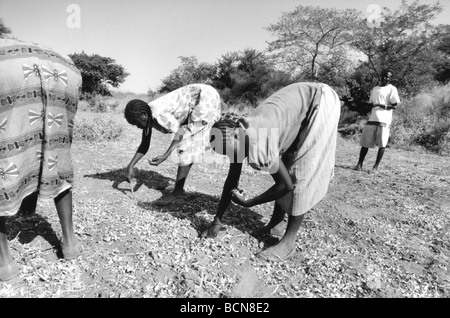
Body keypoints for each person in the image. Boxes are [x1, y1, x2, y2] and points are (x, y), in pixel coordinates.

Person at [203, 82, 341, 262]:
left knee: (300, 171)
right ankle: (275, 224)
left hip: (321, 101)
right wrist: (217, 220)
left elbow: (286, 185)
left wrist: (250, 203)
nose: (233, 157)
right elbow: (232, 180)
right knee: (288, 161)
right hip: (304, 101)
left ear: (237, 134)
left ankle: (288, 242)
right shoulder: (238, 135)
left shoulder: (257, 137)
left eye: (231, 152)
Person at [0, 37, 82, 282]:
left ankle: (5, 264)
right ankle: (70, 243)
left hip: (9, 68)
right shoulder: (39, 48)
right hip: (63, 69)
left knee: (6, 158)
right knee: (56, 152)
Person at [124, 84, 221, 205]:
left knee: (187, 145)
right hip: (198, 99)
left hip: (205, 97)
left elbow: (181, 132)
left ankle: (177, 194)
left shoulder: (158, 114)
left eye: (136, 123)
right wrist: (130, 166)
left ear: (143, 115)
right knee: (191, 142)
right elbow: (144, 144)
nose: (137, 127)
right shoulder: (147, 117)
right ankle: (177, 189)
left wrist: (166, 154)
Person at [354, 70, 400, 173]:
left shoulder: (392, 89)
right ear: (380, 77)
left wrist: (380, 105)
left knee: (382, 144)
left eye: (387, 77)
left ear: (390, 78)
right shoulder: (375, 89)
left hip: (384, 120)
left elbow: (394, 105)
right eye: (383, 76)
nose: (385, 78)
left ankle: (375, 167)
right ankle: (359, 164)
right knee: (365, 143)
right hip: (372, 119)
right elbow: (371, 103)